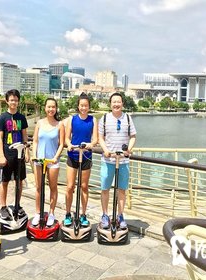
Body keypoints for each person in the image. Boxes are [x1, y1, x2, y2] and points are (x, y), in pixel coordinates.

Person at [98, 92, 136, 229]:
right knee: (105, 189)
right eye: (114, 102)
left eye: (118, 102)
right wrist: (106, 150)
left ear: (122, 104)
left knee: (121, 189)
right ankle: (104, 215)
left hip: (123, 161)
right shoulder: (104, 118)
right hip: (108, 160)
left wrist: (128, 150)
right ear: (110, 104)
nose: (116, 104)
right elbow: (100, 138)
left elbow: (133, 136)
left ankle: (120, 215)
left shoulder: (127, 118)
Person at [64, 93, 98, 227]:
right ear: (78, 106)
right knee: (70, 186)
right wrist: (70, 145)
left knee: (84, 186)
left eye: (86, 105)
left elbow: (95, 139)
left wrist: (91, 144)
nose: (84, 108)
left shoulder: (93, 120)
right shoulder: (72, 119)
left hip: (86, 156)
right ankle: (67, 213)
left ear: (89, 107)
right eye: (81, 105)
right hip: (73, 155)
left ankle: (83, 214)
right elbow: (67, 138)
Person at [0, 89, 30, 219]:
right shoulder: (3, 118)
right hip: (7, 153)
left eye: (16, 100)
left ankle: (17, 204)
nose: (14, 102)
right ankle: (3, 206)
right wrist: (1, 155)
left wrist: (27, 151)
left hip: (20, 154)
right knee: (4, 181)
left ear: (18, 101)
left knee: (19, 181)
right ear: (7, 101)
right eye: (11, 100)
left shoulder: (21, 117)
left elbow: (25, 135)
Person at [31, 98, 65, 226]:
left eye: (53, 107)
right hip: (39, 160)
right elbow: (35, 141)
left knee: (53, 187)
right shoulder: (39, 123)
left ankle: (51, 213)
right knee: (39, 187)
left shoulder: (60, 124)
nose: (51, 109)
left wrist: (56, 156)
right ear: (45, 108)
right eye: (48, 107)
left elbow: (61, 144)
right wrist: (34, 155)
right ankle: (38, 213)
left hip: (52, 161)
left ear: (56, 108)